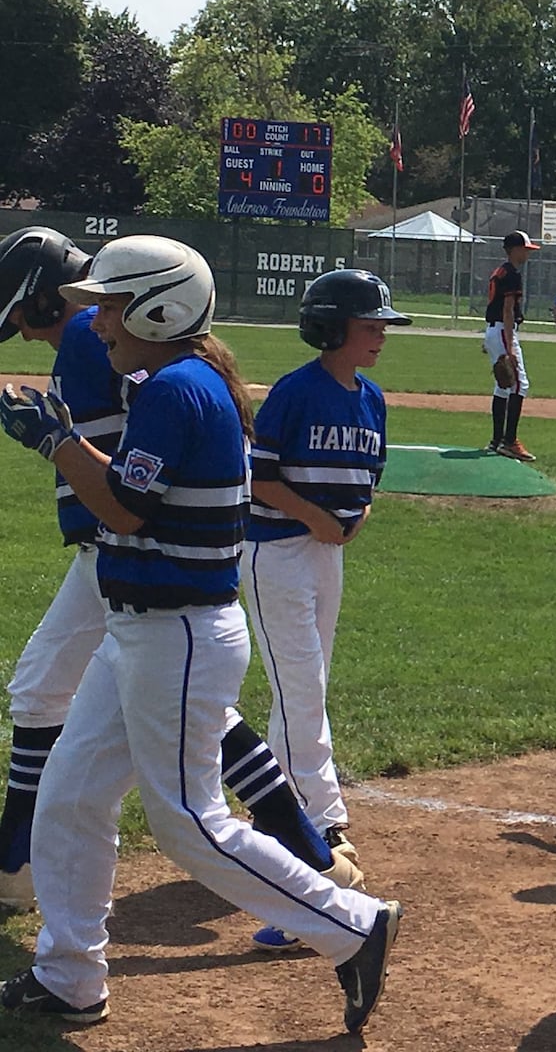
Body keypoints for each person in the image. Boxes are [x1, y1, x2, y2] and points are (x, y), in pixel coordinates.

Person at [0, 235, 399, 1033]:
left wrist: (51, 439)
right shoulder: (174, 381)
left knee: (190, 825)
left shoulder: (178, 390)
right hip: (143, 631)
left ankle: (352, 925)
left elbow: (121, 505)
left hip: (178, 636)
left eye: (110, 306)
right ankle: (70, 978)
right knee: (72, 800)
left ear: (159, 308)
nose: (98, 322)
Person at [241, 269, 411, 952]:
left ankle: (279, 823)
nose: (380, 336)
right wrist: (317, 518)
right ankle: (322, 825)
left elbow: (369, 482)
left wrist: (351, 521)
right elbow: (259, 475)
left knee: (304, 692)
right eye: (370, 325)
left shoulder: (372, 399)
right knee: (301, 691)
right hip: (277, 552)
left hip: (323, 556)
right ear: (331, 328)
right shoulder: (296, 391)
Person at [484, 230, 537, 461]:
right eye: (525, 249)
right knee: (519, 385)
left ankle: (497, 441)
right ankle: (509, 441)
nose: (527, 253)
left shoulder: (500, 271)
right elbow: (507, 310)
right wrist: (510, 346)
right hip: (503, 331)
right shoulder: (512, 274)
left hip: (494, 330)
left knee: (503, 386)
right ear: (514, 250)